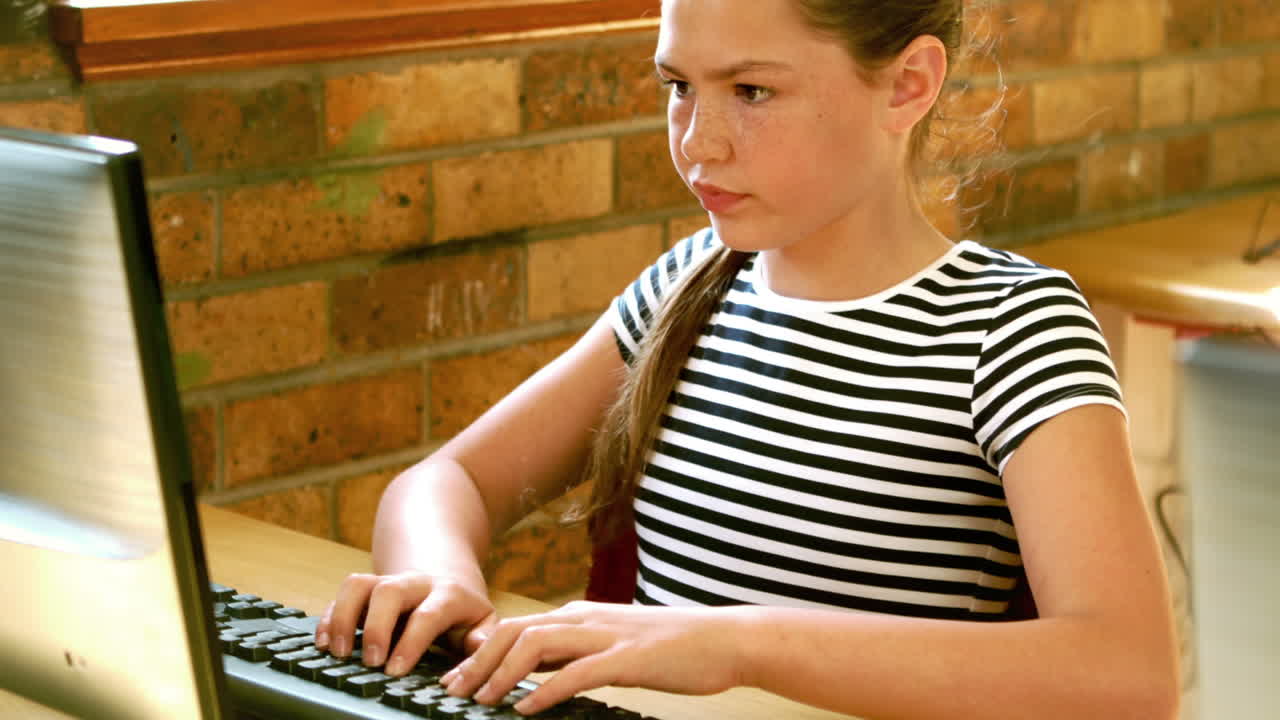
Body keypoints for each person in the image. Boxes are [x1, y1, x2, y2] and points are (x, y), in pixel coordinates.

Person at [315, 0, 1181, 717]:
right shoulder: (689, 284)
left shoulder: (1012, 329)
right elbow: (446, 483)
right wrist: (437, 577)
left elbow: (1126, 674)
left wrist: (735, 641)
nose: (699, 142)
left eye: (753, 90)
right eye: (678, 87)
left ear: (908, 85)